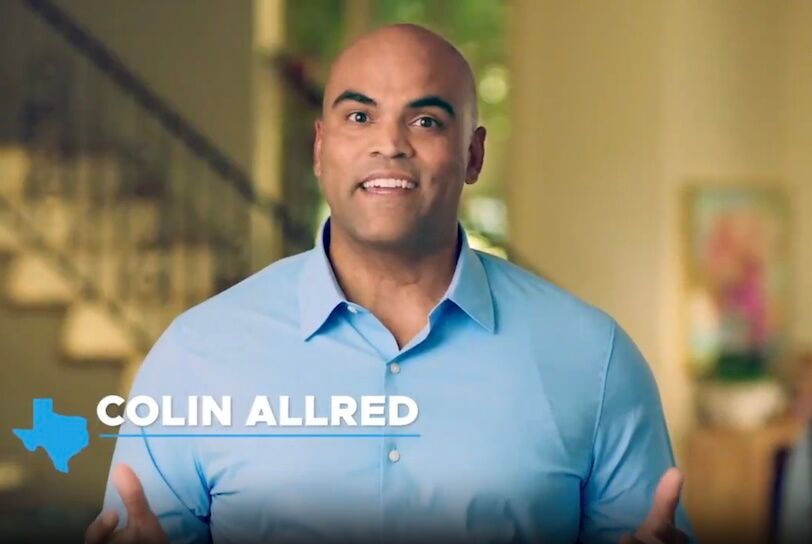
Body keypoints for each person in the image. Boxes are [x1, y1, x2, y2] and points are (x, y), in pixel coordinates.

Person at [85, 24, 694, 544]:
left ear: (474, 155)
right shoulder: (197, 355)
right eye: (359, 116)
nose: (389, 144)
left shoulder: (593, 356)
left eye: (425, 120)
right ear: (321, 149)